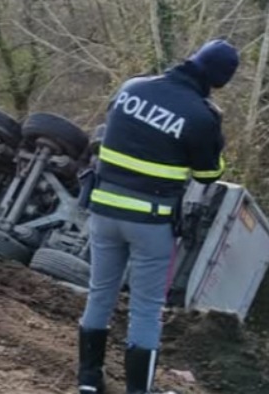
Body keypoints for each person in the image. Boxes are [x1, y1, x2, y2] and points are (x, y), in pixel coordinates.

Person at [76, 39, 239, 394]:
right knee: (146, 309)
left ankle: (88, 381)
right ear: (219, 80)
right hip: (150, 223)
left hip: (103, 210)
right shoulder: (201, 116)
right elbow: (209, 176)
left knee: (99, 294)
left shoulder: (131, 86)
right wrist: (217, 137)